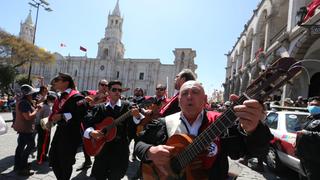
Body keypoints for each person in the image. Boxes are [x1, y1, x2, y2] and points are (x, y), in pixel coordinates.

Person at [134, 81, 273, 179]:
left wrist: (254, 129)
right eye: (185, 93)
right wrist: (149, 151)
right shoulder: (163, 123)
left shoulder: (221, 123)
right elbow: (139, 143)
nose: (189, 96)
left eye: (195, 92)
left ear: (205, 99)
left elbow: (253, 151)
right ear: (179, 100)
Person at [83, 80, 143, 180]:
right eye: (114, 89)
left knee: (116, 176)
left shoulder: (128, 106)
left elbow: (136, 122)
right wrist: (91, 132)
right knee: (99, 176)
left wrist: (137, 116)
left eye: (119, 90)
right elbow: (88, 122)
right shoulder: (99, 108)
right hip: (102, 149)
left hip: (120, 150)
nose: (117, 92)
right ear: (108, 91)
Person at [48, 73, 87, 180]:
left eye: (57, 80)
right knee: (53, 159)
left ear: (66, 82)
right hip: (60, 132)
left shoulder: (77, 96)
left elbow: (81, 114)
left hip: (71, 135)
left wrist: (62, 116)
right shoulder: (61, 96)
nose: (54, 82)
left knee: (65, 162)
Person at [12, 84, 41, 176]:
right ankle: (22, 167)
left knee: (20, 147)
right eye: (31, 94)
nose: (33, 95)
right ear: (27, 94)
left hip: (23, 129)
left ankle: (18, 166)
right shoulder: (24, 103)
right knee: (31, 146)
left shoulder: (24, 101)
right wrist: (37, 110)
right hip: (25, 129)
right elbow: (28, 117)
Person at [296, 96, 320, 180]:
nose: (314, 107)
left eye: (317, 105)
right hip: (303, 155)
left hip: (314, 158)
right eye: (312, 104)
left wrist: (307, 133)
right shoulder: (310, 117)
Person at [35, 93, 56, 164]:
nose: (53, 103)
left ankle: (41, 156)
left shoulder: (42, 105)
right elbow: (46, 120)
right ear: (49, 100)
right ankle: (41, 157)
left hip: (39, 125)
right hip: (43, 127)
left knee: (41, 142)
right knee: (44, 142)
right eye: (53, 101)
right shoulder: (46, 107)